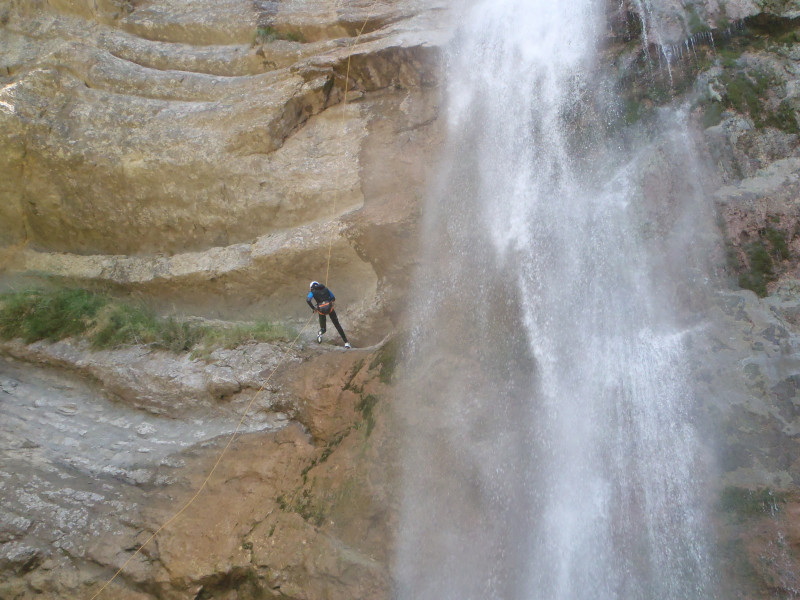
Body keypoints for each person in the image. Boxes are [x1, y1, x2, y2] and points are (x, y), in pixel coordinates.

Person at [306, 281, 351, 348]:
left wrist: (314, 308)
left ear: (311, 287)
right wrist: (328, 300)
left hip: (321, 310)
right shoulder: (326, 289)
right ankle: (346, 343)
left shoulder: (312, 292)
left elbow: (308, 300)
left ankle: (320, 333)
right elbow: (333, 298)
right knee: (337, 325)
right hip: (330, 309)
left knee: (323, 328)